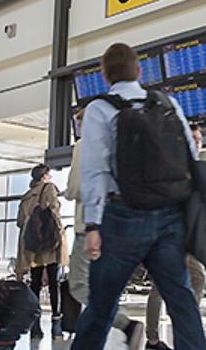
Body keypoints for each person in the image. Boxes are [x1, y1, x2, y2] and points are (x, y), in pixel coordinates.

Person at [71, 43, 206, 350]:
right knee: (182, 301)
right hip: (170, 217)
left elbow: (94, 171)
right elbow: (190, 156)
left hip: (123, 215)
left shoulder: (99, 108)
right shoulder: (167, 103)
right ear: (139, 72)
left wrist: (92, 226)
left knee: (101, 305)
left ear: (105, 76)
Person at [66, 109, 145, 349]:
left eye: (79, 124)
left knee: (79, 285)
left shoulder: (84, 145)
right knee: (101, 286)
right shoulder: (117, 144)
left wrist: (68, 192)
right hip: (115, 225)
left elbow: (77, 187)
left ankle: (125, 324)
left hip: (87, 227)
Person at [144, 123, 206, 350]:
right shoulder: (175, 165)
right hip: (172, 235)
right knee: (196, 279)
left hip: (184, 236)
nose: (197, 143)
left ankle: (155, 339)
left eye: (199, 139)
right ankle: (188, 335)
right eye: (193, 138)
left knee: (161, 286)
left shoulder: (194, 167)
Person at [16, 163, 68, 339]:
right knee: (54, 283)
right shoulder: (49, 188)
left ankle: (35, 326)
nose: (51, 178)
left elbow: (20, 221)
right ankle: (56, 325)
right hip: (49, 242)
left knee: (35, 284)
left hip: (32, 243)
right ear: (44, 176)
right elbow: (54, 210)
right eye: (50, 175)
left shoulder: (26, 196)